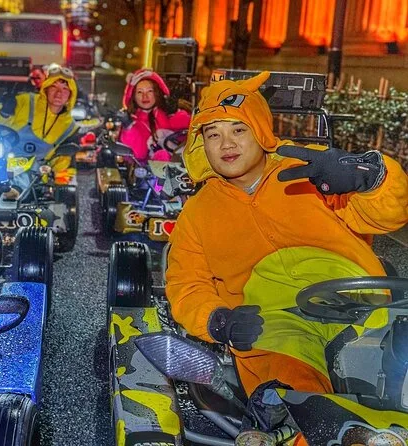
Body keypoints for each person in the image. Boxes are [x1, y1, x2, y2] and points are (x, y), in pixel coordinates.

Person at [165, 71, 408, 401]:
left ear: (260, 129)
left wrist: (373, 177)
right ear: (201, 143)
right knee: (294, 398)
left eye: (238, 129)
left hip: (362, 306)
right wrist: (218, 320)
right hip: (276, 326)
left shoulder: (312, 171)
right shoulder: (197, 212)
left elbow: (388, 216)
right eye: (213, 134)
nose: (227, 144)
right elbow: (186, 283)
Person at [0, 63, 79, 198]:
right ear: (46, 88)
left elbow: (63, 160)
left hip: (35, 172)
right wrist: (4, 113)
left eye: (65, 89)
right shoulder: (25, 101)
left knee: (28, 172)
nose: (59, 93)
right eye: (54, 87)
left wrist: (58, 173)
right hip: (3, 158)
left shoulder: (69, 126)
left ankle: (13, 192)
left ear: (71, 95)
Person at [119, 68, 191, 163]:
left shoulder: (167, 112)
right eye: (140, 92)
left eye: (150, 91)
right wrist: (129, 127)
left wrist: (174, 113)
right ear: (133, 96)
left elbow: (189, 135)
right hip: (149, 169)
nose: (145, 96)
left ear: (157, 92)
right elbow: (139, 154)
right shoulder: (133, 121)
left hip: (180, 166)